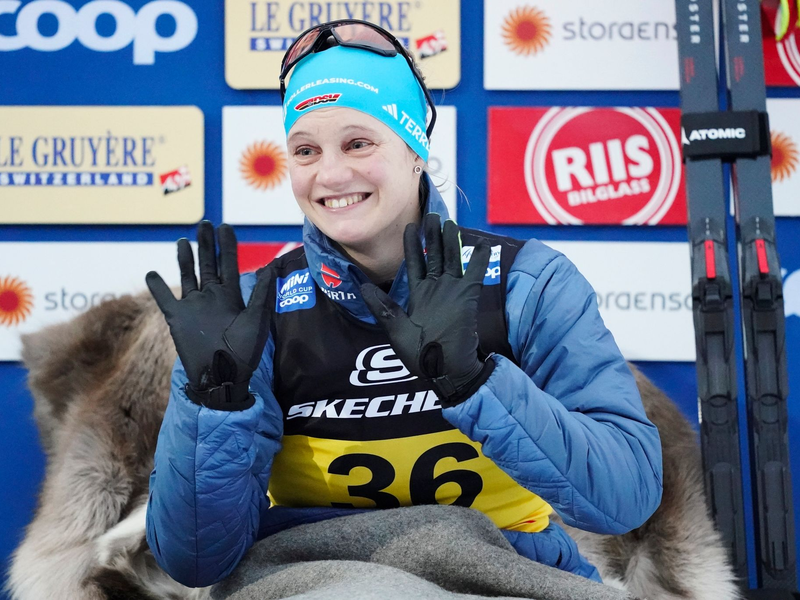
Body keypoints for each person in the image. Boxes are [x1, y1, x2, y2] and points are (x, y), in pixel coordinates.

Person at [145, 19, 663, 589]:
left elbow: (625, 500)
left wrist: (476, 385)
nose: (331, 174)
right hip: (311, 576)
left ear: (415, 149)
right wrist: (214, 409)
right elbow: (196, 562)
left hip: (508, 574)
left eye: (358, 143)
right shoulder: (252, 312)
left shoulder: (526, 284)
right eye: (305, 150)